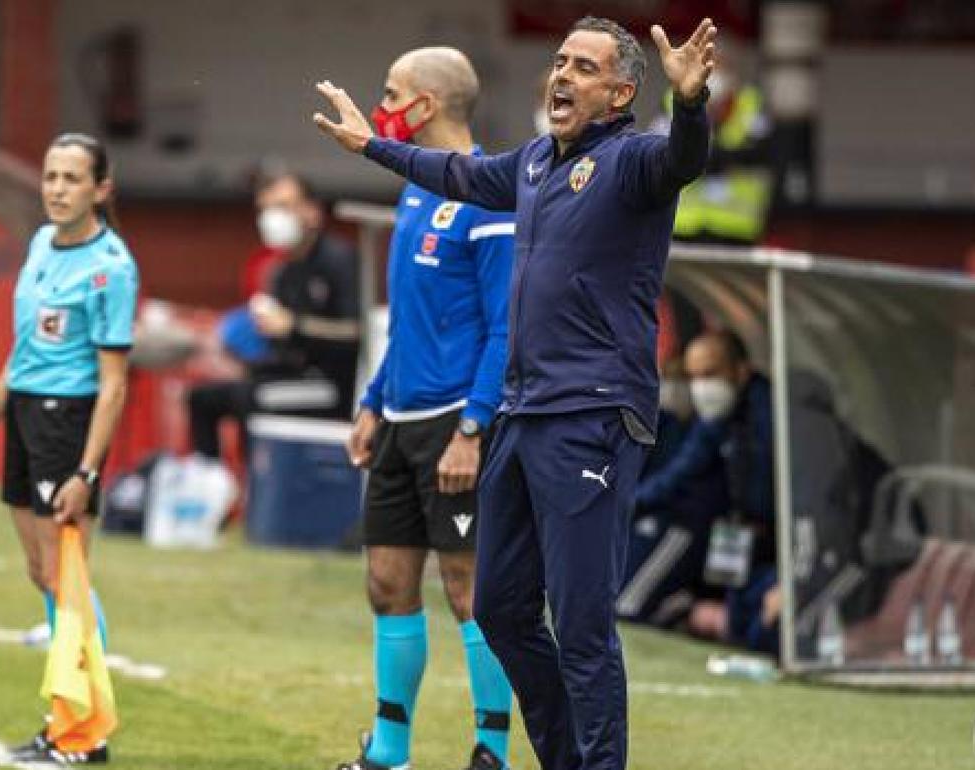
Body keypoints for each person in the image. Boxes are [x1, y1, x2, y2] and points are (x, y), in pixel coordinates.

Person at [314, 15, 715, 770]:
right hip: (523, 414)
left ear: (621, 91)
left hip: (593, 414)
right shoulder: (533, 164)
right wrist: (372, 146)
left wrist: (691, 104)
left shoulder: (631, 162)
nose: (563, 76)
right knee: (498, 608)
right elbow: (459, 175)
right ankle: (565, 759)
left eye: (584, 68)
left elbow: (683, 160)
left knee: (583, 622)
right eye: (560, 62)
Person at [339, 47, 514, 770]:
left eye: (390, 92)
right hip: (401, 422)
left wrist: (473, 426)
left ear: (428, 104)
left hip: (456, 424)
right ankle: (388, 752)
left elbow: (507, 328)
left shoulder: (490, 196)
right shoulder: (413, 188)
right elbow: (409, 319)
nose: (382, 105)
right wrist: (375, 400)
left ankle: (492, 752)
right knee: (386, 583)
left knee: (469, 590)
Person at [0, 132, 138, 765]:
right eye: (51, 176)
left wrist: (87, 469)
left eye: (72, 178)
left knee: (68, 578)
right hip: (26, 415)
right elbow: (23, 351)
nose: (57, 189)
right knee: (43, 574)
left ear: (100, 189)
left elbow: (114, 385)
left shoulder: (111, 266)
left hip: (68, 422)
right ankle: (67, 722)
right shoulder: (38, 246)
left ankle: (85, 732)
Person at [187, 171, 359, 461]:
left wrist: (295, 326)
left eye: (282, 206)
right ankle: (212, 482)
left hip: (333, 385)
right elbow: (282, 348)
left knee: (249, 398)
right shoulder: (282, 272)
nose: (271, 217)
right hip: (292, 376)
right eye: (265, 210)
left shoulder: (340, 260)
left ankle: (260, 489)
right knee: (203, 398)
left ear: (311, 211)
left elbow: (357, 331)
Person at [635, 331, 778, 654]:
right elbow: (679, 475)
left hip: (781, 548)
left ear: (741, 371)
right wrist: (622, 509)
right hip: (742, 536)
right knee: (739, 632)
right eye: (694, 376)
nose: (701, 386)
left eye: (710, 374)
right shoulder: (715, 421)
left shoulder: (772, 417)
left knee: (763, 632)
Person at [616, 355, 727, 627]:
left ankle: (680, 607)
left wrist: (629, 505)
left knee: (625, 605)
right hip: (653, 514)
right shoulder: (662, 421)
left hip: (684, 520)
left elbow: (677, 477)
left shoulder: (710, 426)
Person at [653, 51, 773, 244]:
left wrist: (722, 157)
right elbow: (660, 149)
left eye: (719, 67)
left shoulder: (751, 103)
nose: (712, 74)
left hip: (735, 227)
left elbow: (765, 152)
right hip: (684, 225)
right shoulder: (672, 100)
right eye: (706, 67)